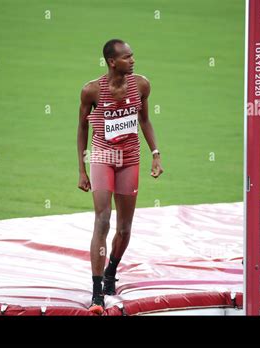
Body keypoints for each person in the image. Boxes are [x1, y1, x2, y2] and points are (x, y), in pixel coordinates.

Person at [77, 39, 163, 315]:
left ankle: (112, 269)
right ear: (112, 62)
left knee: (124, 229)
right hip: (103, 156)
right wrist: (81, 168)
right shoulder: (91, 91)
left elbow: (145, 120)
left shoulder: (142, 85)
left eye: (133, 56)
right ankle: (97, 293)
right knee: (102, 221)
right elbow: (81, 128)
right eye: (127, 57)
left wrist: (156, 153)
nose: (133, 60)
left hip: (129, 159)